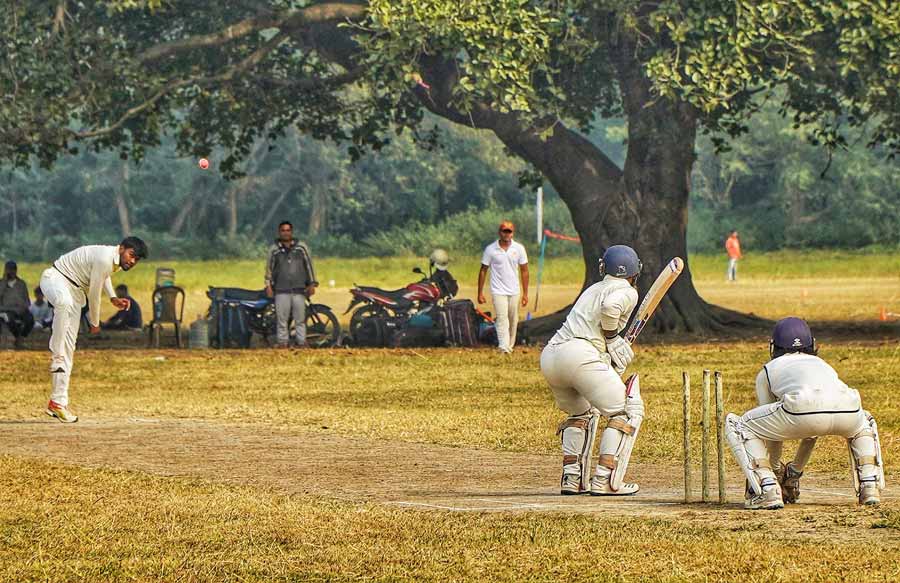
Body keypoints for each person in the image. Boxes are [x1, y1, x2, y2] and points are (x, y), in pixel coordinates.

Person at [725, 317, 884, 510]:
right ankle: (869, 484)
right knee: (863, 423)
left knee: (742, 425)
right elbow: (813, 429)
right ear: (813, 344)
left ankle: (767, 487)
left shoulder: (768, 370)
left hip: (800, 408)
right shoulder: (822, 364)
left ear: (773, 346)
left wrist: (774, 470)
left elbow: (770, 434)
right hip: (848, 407)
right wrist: (793, 473)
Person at [540, 245, 643, 496]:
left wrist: (605, 352)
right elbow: (610, 309)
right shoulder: (626, 291)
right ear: (634, 272)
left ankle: (572, 479)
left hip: (552, 355)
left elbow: (590, 324)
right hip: (580, 354)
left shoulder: (593, 289)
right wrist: (613, 338)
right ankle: (605, 480)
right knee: (625, 411)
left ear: (603, 268)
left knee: (581, 414)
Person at [39, 237, 148, 422]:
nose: (132, 261)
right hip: (56, 279)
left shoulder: (113, 262)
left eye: (136, 259)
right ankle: (56, 355)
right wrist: (95, 323)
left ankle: (57, 403)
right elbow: (94, 294)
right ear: (121, 248)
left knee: (69, 349)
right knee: (63, 303)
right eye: (131, 255)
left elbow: (103, 277)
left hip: (75, 292)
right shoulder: (105, 257)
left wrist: (113, 297)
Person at [477, 221, 529, 353]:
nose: (506, 234)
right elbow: (483, 270)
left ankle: (510, 346)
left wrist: (525, 293)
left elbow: (524, 270)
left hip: (514, 290)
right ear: (499, 232)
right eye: (504, 231)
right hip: (497, 289)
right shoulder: (491, 249)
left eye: (509, 231)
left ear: (513, 233)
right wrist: (480, 292)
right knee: (501, 318)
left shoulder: (519, 249)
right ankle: (503, 346)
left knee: (513, 319)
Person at [264, 221, 318, 348]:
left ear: (292, 232)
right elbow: (269, 269)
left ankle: (301, 342)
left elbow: (309, 266)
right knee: (282, 319)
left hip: (299, 289)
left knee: (300, 319)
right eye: (283, 230)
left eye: (288, 230)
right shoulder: (274, 250)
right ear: (279, 232)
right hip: (281, 289)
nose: (286, 233)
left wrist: (312, 284)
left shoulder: (301, 248)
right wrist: (268, 285)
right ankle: (283, 342)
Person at [0, 260, 35, 348]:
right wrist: (4, 282)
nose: (11, 272)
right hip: (7, 309)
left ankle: (22, 337)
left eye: (12, 270)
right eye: (9, 270)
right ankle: (17, 338)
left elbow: (27, 300)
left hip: (21, 309)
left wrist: (24, 307)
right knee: (9, 319)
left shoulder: (21, 284)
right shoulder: (1, 283)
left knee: (30, 319)